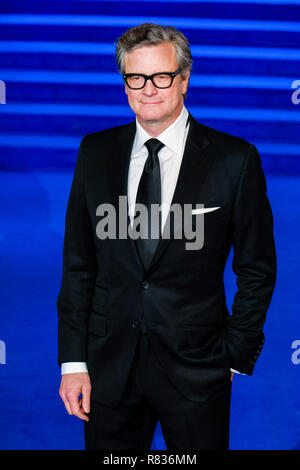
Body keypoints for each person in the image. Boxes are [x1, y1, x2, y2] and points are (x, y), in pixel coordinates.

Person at [57, 23, 276, 450]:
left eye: (161, 76)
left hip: (198, 366)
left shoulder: (235, 159)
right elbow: (78, 265)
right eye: (136, 78)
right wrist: (73, 361)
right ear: (125, 84)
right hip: (109, 366)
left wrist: (236, 351)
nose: (149, 89)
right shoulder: (95, 152)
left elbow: (257, 268)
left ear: (184, 79)